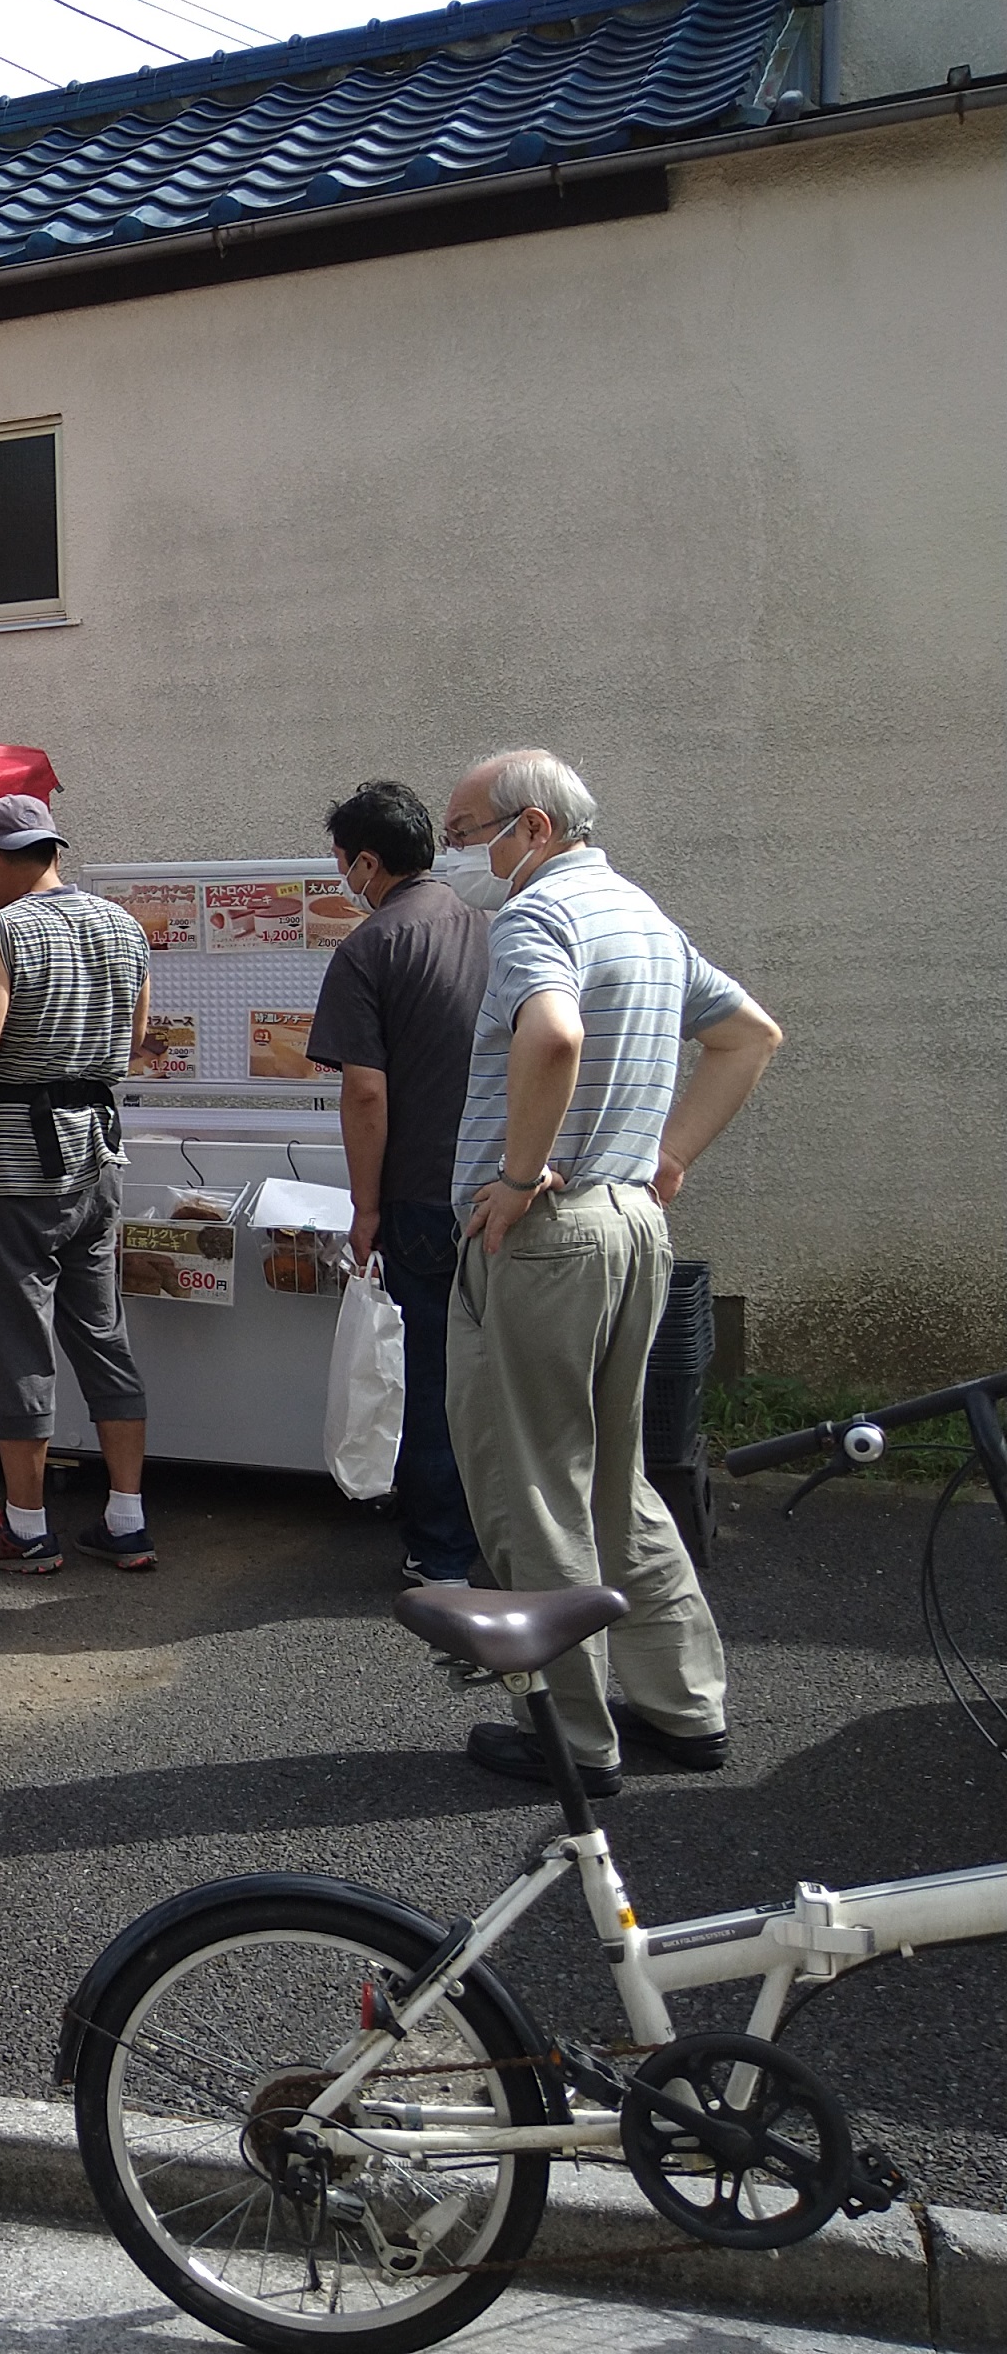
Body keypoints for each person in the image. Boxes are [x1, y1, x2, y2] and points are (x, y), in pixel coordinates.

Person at [439, 749, 781, 1797]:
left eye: (464, 833)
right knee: (613, 1479)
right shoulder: (638, 912)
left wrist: (512, 1173)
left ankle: (574, 1741)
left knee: (531, 1489)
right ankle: (685, 1707)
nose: (458, 856)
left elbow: (549, 1034)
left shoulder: (534, 918)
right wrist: (666, 1153)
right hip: (630, 1223)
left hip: (543, 1234)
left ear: (528, 828)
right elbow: (746, 1036)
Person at [0, 793, 156, 1575]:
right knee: (102, 1331)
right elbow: (133, 1043)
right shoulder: (124, 927)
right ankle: (127, 1518)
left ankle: (27, 1526)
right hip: (96, 1155)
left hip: (12, 1166)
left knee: (15, 1339)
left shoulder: (1, 929)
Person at [308, 778, 492, 1587]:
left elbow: (366, 1091)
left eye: (344, 862)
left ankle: (441, 1554)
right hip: (509, 1189)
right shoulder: (492, 927)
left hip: (421, 1197)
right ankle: (510, 1543)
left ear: (368, 862)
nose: (343, 876)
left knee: (425, 1379)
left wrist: (366, 1206)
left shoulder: (371, 946)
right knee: (499, 1375)